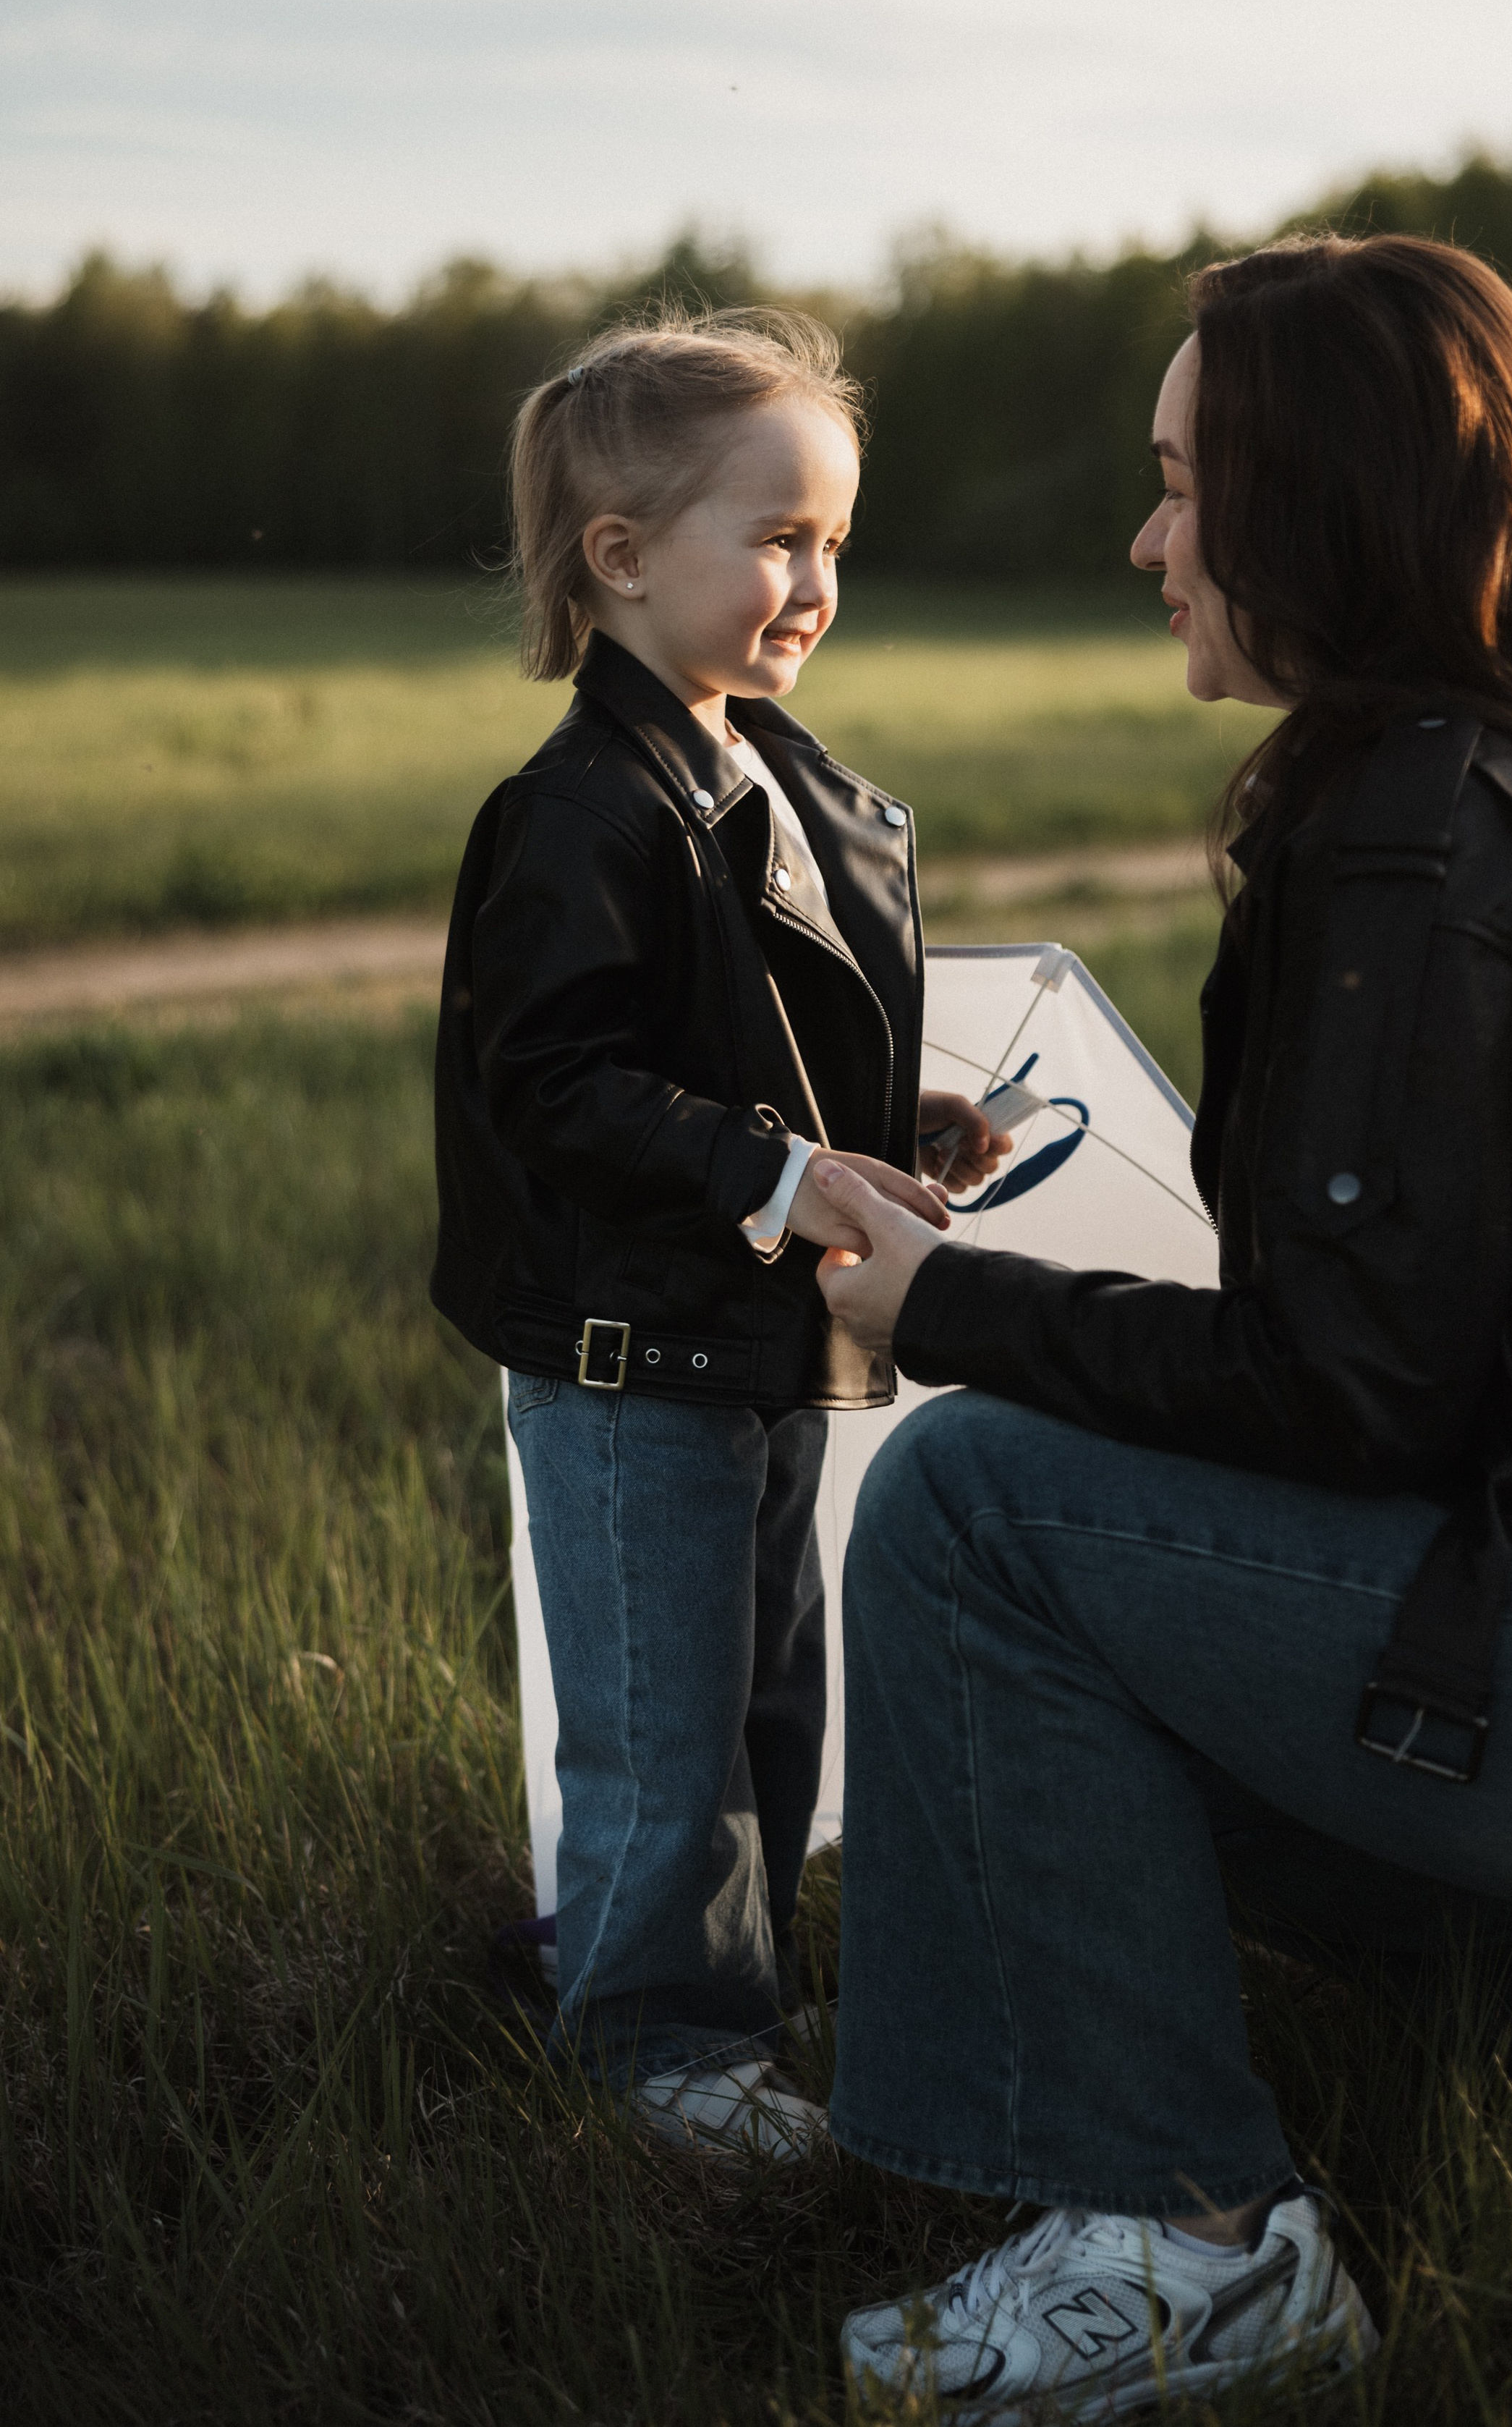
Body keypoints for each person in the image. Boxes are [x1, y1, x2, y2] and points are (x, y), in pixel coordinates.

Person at [805, 236, 1512, 2409]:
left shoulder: (1410, 825)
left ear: (1336, 502)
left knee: (973, 1508)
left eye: (1189, 483)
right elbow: (1442, 1353)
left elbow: (1352, 1400)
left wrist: (952, 1300)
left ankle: (1187, 2243)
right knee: (1137, 1626)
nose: (1148, 537)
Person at [429, 309, 1007, 2161]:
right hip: (624, 1362)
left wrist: (872, 1126)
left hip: (743, 1335)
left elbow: (728, 1042)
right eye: (776, 536)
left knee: (767, 1696)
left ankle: (734, 1998)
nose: (816, 578)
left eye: (834, 538)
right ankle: (644, 2041)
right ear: (618, 555)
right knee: (657, 1723)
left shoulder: (761, 771)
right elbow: (558, 1083)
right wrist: (783, 1175)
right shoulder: (582, 808)